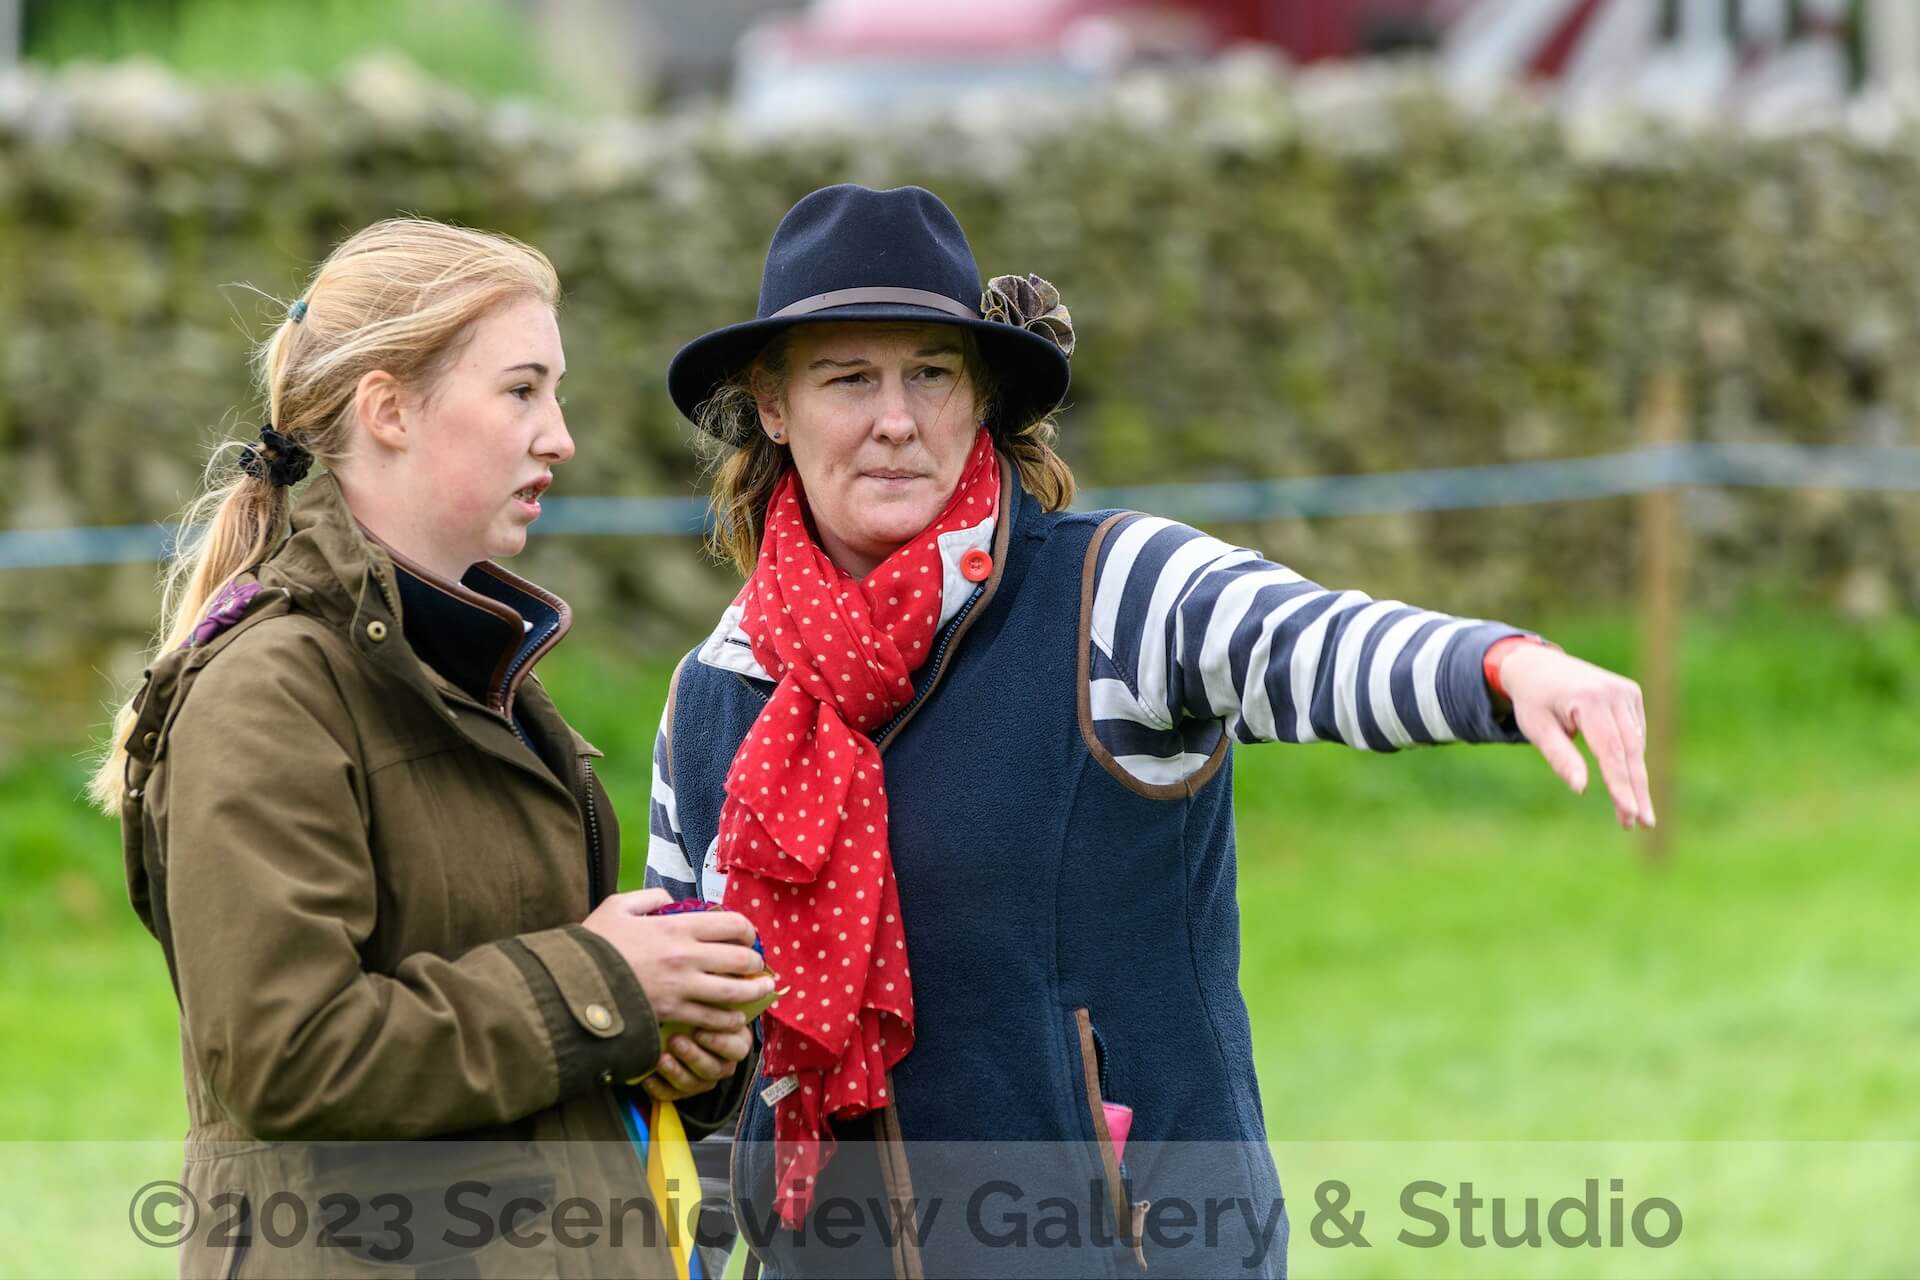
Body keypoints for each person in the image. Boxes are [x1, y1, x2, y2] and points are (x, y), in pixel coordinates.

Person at [647, 184, 1653, 1279]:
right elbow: (695, 1069)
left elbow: (1307, 639)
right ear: (774, 405)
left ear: (979, 396)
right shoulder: (715, 691)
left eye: (931, 373)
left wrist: (1500, 667)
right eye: (849, 378)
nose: (897, 418)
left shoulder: (1114, 589)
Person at [93, 217, 771, 1279]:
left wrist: (661, 1041)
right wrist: (605, 981)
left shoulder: (473, 668)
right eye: (522, 390)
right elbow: (292, 1057)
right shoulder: (268, 692)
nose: (560, 436)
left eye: (554, 393)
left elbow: (519, 1045)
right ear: (389, 409)